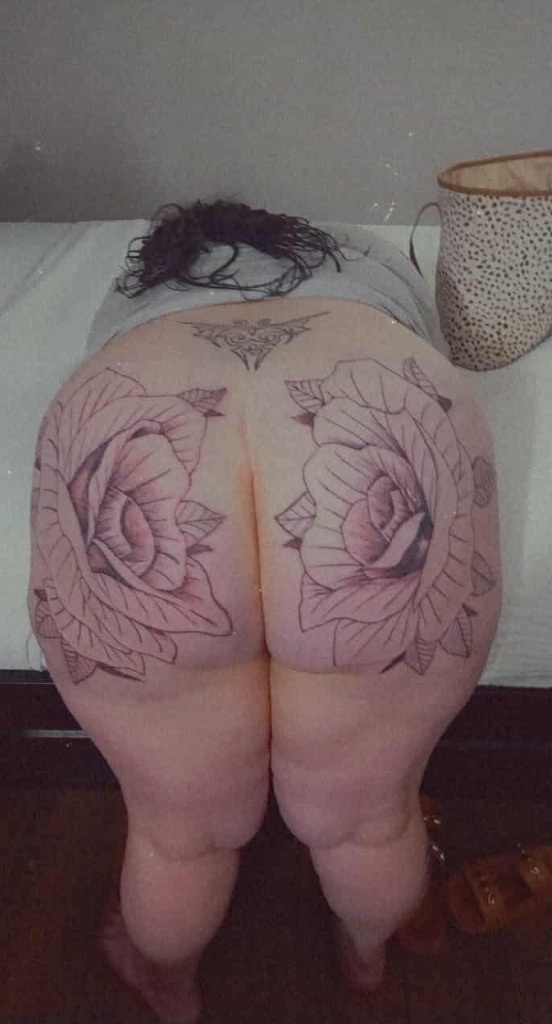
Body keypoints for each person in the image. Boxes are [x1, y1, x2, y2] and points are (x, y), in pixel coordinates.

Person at [28, 200, 501, 1022]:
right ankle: (365, 957)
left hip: (136, 427)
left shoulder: (140, 284)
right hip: (380, 418)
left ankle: (168, 984)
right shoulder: (361, 254)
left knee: (178, 831)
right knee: (370, 820)